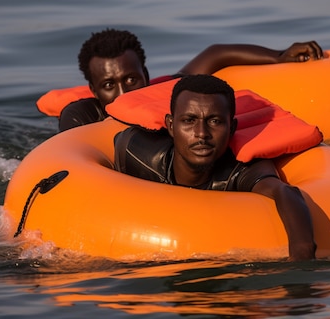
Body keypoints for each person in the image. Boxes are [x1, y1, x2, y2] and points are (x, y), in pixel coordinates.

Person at [113, 74, 317, 260]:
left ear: (232, 128)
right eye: (189, 120)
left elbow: (284, 192)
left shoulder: (239, 170)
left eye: (215, 121)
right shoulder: (136, 152)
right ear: (171, 126)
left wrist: (302, 252)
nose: (202, 133)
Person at [58, 28, 323, 131]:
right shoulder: (80, 118)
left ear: (146, 76)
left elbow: (216, 53)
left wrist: (280, 56)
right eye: (108, 85)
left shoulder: (167, 92)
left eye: (131, 79)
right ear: (93, 90)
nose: (123, 92)